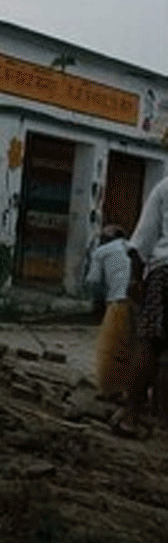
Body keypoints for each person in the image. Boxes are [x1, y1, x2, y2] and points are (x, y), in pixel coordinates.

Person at [117, 177, 168, 437]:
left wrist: (135, 280)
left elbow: (140, 243)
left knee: (149, 343)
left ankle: (130, 417)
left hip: (164, 273)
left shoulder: (165, 187)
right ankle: (162, 421)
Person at [85, 225, 133, 400]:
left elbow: (94, 282)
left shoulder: (101, 251)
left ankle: (110, 390)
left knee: (110, 349)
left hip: (118, 301)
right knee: (133, 348)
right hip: (139, 301)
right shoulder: (134, 248)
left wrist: (97, 308)